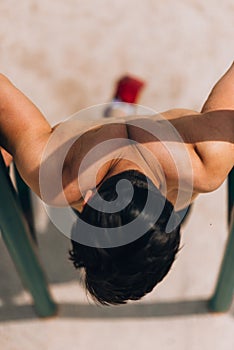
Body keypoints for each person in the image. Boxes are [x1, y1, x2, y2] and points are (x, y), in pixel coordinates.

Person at [0, 63, 233, 305]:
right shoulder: (52, 173)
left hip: (141, 166)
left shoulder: (205, 163)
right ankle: (121, 107)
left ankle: (120, 107)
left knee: (115, 120)